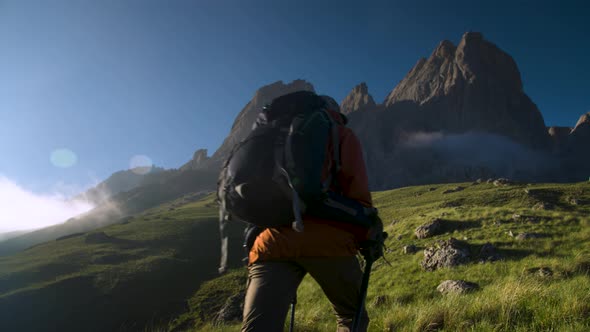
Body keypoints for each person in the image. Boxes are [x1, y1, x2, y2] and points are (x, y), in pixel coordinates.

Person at [241, 95, 375, 332]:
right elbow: (358, 196)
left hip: (272, 243)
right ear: (333, 112)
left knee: (259, 328)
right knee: (350, 316)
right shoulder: (341, 134)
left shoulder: (274, 137)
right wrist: (368, 236)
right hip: (329, 241)